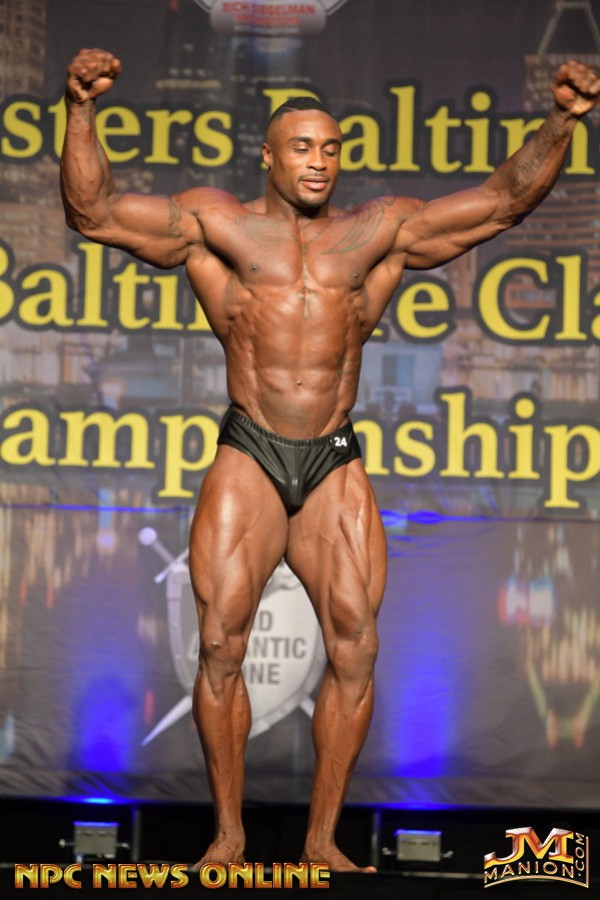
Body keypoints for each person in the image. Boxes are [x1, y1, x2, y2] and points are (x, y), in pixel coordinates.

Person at [60, 49, 599, 871]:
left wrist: (560, 122)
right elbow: (92, 212)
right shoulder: (218, 225)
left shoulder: (375, 232)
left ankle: (321, 841)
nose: (319, 162)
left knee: (358, 648)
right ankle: (229, 835)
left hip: (333, 458)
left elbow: (501, 203)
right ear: (269, 155)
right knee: (220, 646)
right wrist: (79, 109)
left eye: (332, 148)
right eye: (303, 147)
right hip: (251, 449)